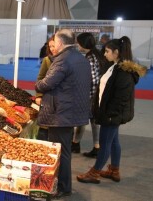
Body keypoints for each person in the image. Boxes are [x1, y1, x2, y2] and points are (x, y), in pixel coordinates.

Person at [77, 36, 147, 184]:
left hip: (111, 115)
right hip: (109, 113)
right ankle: (114, 170)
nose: (105, 54)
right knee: (114, 142)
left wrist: (108, 116)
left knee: (105, 144)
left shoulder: (123, 72)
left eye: (107, 51)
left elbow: (120, 99)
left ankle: (94, 173)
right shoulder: (114, 66)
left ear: (116, 52)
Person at [35, 29, 91, 199]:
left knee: (59, 153)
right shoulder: (81, 59)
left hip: (60, 113)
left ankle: (61, 187)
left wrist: (38, 84)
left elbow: (45, 84)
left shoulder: (63, 60)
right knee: (64, 151)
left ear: (60, 43)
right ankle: (64, 185)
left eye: (55, 43)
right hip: (72, 111)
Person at [71, 32, 106, 157]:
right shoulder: (96, 55)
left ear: (83, 44)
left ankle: (76, 144)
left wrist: (84, 95)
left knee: (83, 120)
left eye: (78, 42)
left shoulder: (90, 58)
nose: (77, 44)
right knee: (94, 121)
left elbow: (93, 80)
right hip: (96, 96)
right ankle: (92, 146)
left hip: (90, 96)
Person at [35, 35, 56, 141]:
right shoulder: (47, 60)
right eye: (50, 46)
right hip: (47, 98)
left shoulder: (66, 60)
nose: (52, 49)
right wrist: (38, 95)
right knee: (44, 126)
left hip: (60, 100)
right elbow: (40, 78)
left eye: (54, 46)